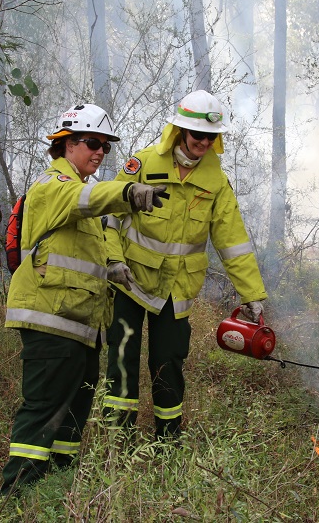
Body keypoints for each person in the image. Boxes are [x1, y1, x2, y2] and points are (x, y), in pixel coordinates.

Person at [0, 103, 165, 496]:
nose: (100, 153)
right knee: (43, 409)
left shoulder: (77, 194)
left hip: (81, 326)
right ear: (66, 144)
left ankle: (54, 493)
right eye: (92, 143)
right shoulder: (51, 187)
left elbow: (77, 255)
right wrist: (130, 190)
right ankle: (16, 498)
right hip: (50, 321)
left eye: (105, 147)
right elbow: (91, 199)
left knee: (73, 413)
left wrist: (112, 266)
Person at [102, 90, 268, 440]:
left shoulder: (216, 181)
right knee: (122, 360)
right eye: (197, 135)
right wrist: (113, 261)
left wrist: (252, 294)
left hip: (177, 288)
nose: (204, 143)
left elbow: (232, 241)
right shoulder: (143, 163)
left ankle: (168, 439)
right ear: (179, 131)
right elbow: (111, 215)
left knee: (169, 363)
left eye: (211, 137)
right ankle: (117, 440)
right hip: (130, 279)